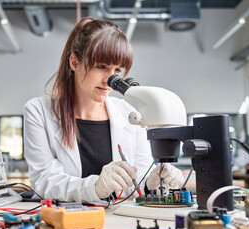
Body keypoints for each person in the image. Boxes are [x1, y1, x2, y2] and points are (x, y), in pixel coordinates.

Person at [24, 17, 184, 203]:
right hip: (69, 221)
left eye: (117, 70)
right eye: (101, 67)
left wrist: (152, 182)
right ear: (75, 62)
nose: (110, 80)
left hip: (119, 220)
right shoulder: (38, 111)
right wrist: (96, 187)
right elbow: (44, 181)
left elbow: (138, 177)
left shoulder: (130, 113)